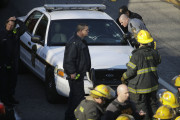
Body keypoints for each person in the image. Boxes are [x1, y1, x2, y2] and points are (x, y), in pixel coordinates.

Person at [121, 30, 161, 120]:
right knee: (153, 105)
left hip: (139, 88)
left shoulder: (136, 55)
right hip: (153, 86)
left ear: (139, 41)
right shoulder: (155, 53)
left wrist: (123, 77)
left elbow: (131, 72)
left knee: (141, 108)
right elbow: (158, 61)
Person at [63, 23, 91, 120]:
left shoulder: (80, 41)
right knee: (78, 97)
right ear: (80, 31)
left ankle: (70, 116)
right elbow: (70, 59)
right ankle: (74, 116)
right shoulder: (74, 43)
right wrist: (72, 72)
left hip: (79, 74)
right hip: (75, 75)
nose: (88, 32)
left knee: (74, 97)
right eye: (86, 30)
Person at [0, 16, 27, 106]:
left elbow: (24, 27)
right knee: (4, 82)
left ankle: (10, 97)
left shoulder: (15, 33)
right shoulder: (1, 34)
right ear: (6, 24)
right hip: (4, 63)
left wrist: (17, 20)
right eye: (9, 24)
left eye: (12, 25)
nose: (10, 27)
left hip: (14, 62)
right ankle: (5, 100)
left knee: (12, 81)